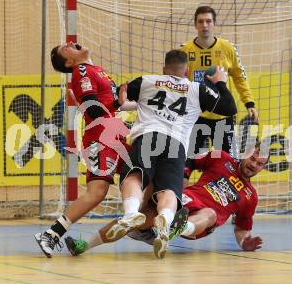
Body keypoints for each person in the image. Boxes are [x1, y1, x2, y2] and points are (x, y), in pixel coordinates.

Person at [101, 49, 237, 259]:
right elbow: (229, 107)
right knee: (169, 192)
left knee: (135, 177)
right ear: (187, 70)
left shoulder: (147, 81)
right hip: (176, 144)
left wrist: (120, 100)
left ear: (164, 69)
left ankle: (130, 214)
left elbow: (116, 97)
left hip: (148, 137)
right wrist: (220, 82)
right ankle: (164, 220)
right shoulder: (196, 89)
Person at [64, 142, 267, 255]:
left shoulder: (251, 196)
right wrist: (184, 178)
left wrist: (244, 243)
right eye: (252, 158)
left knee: (210, 213)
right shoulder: (222, 158)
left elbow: (242, 228)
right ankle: (84, 246)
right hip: (183, 200)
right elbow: (188, 159)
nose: (253, 165)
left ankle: (178, 228)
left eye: (259, 164)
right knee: (135, 219)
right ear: (245, 154)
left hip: (201, 221)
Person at [34, 41, 132, 258]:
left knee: (140, 174)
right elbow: (93, 109)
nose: (70, 42)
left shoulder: (97, 70)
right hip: (101, 137)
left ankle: (145, 224)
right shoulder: (81, 71)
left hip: (113, 133)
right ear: (69, 62)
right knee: (97, 192)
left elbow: (107, 105)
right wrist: (121, 114)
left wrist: (121, 103)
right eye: (65, 48)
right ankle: (51, 234)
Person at [180, 6, 258, 157]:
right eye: (201, 21)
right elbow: (178, 81)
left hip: (222, 117)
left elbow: (239, 76)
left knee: (229, 162)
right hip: (196, 116)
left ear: (214, 24)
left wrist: (249, 103)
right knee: (186, 162)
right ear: (195, 25)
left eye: (208, 21)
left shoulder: (227, 48)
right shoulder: (185, 50)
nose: (205, 25)